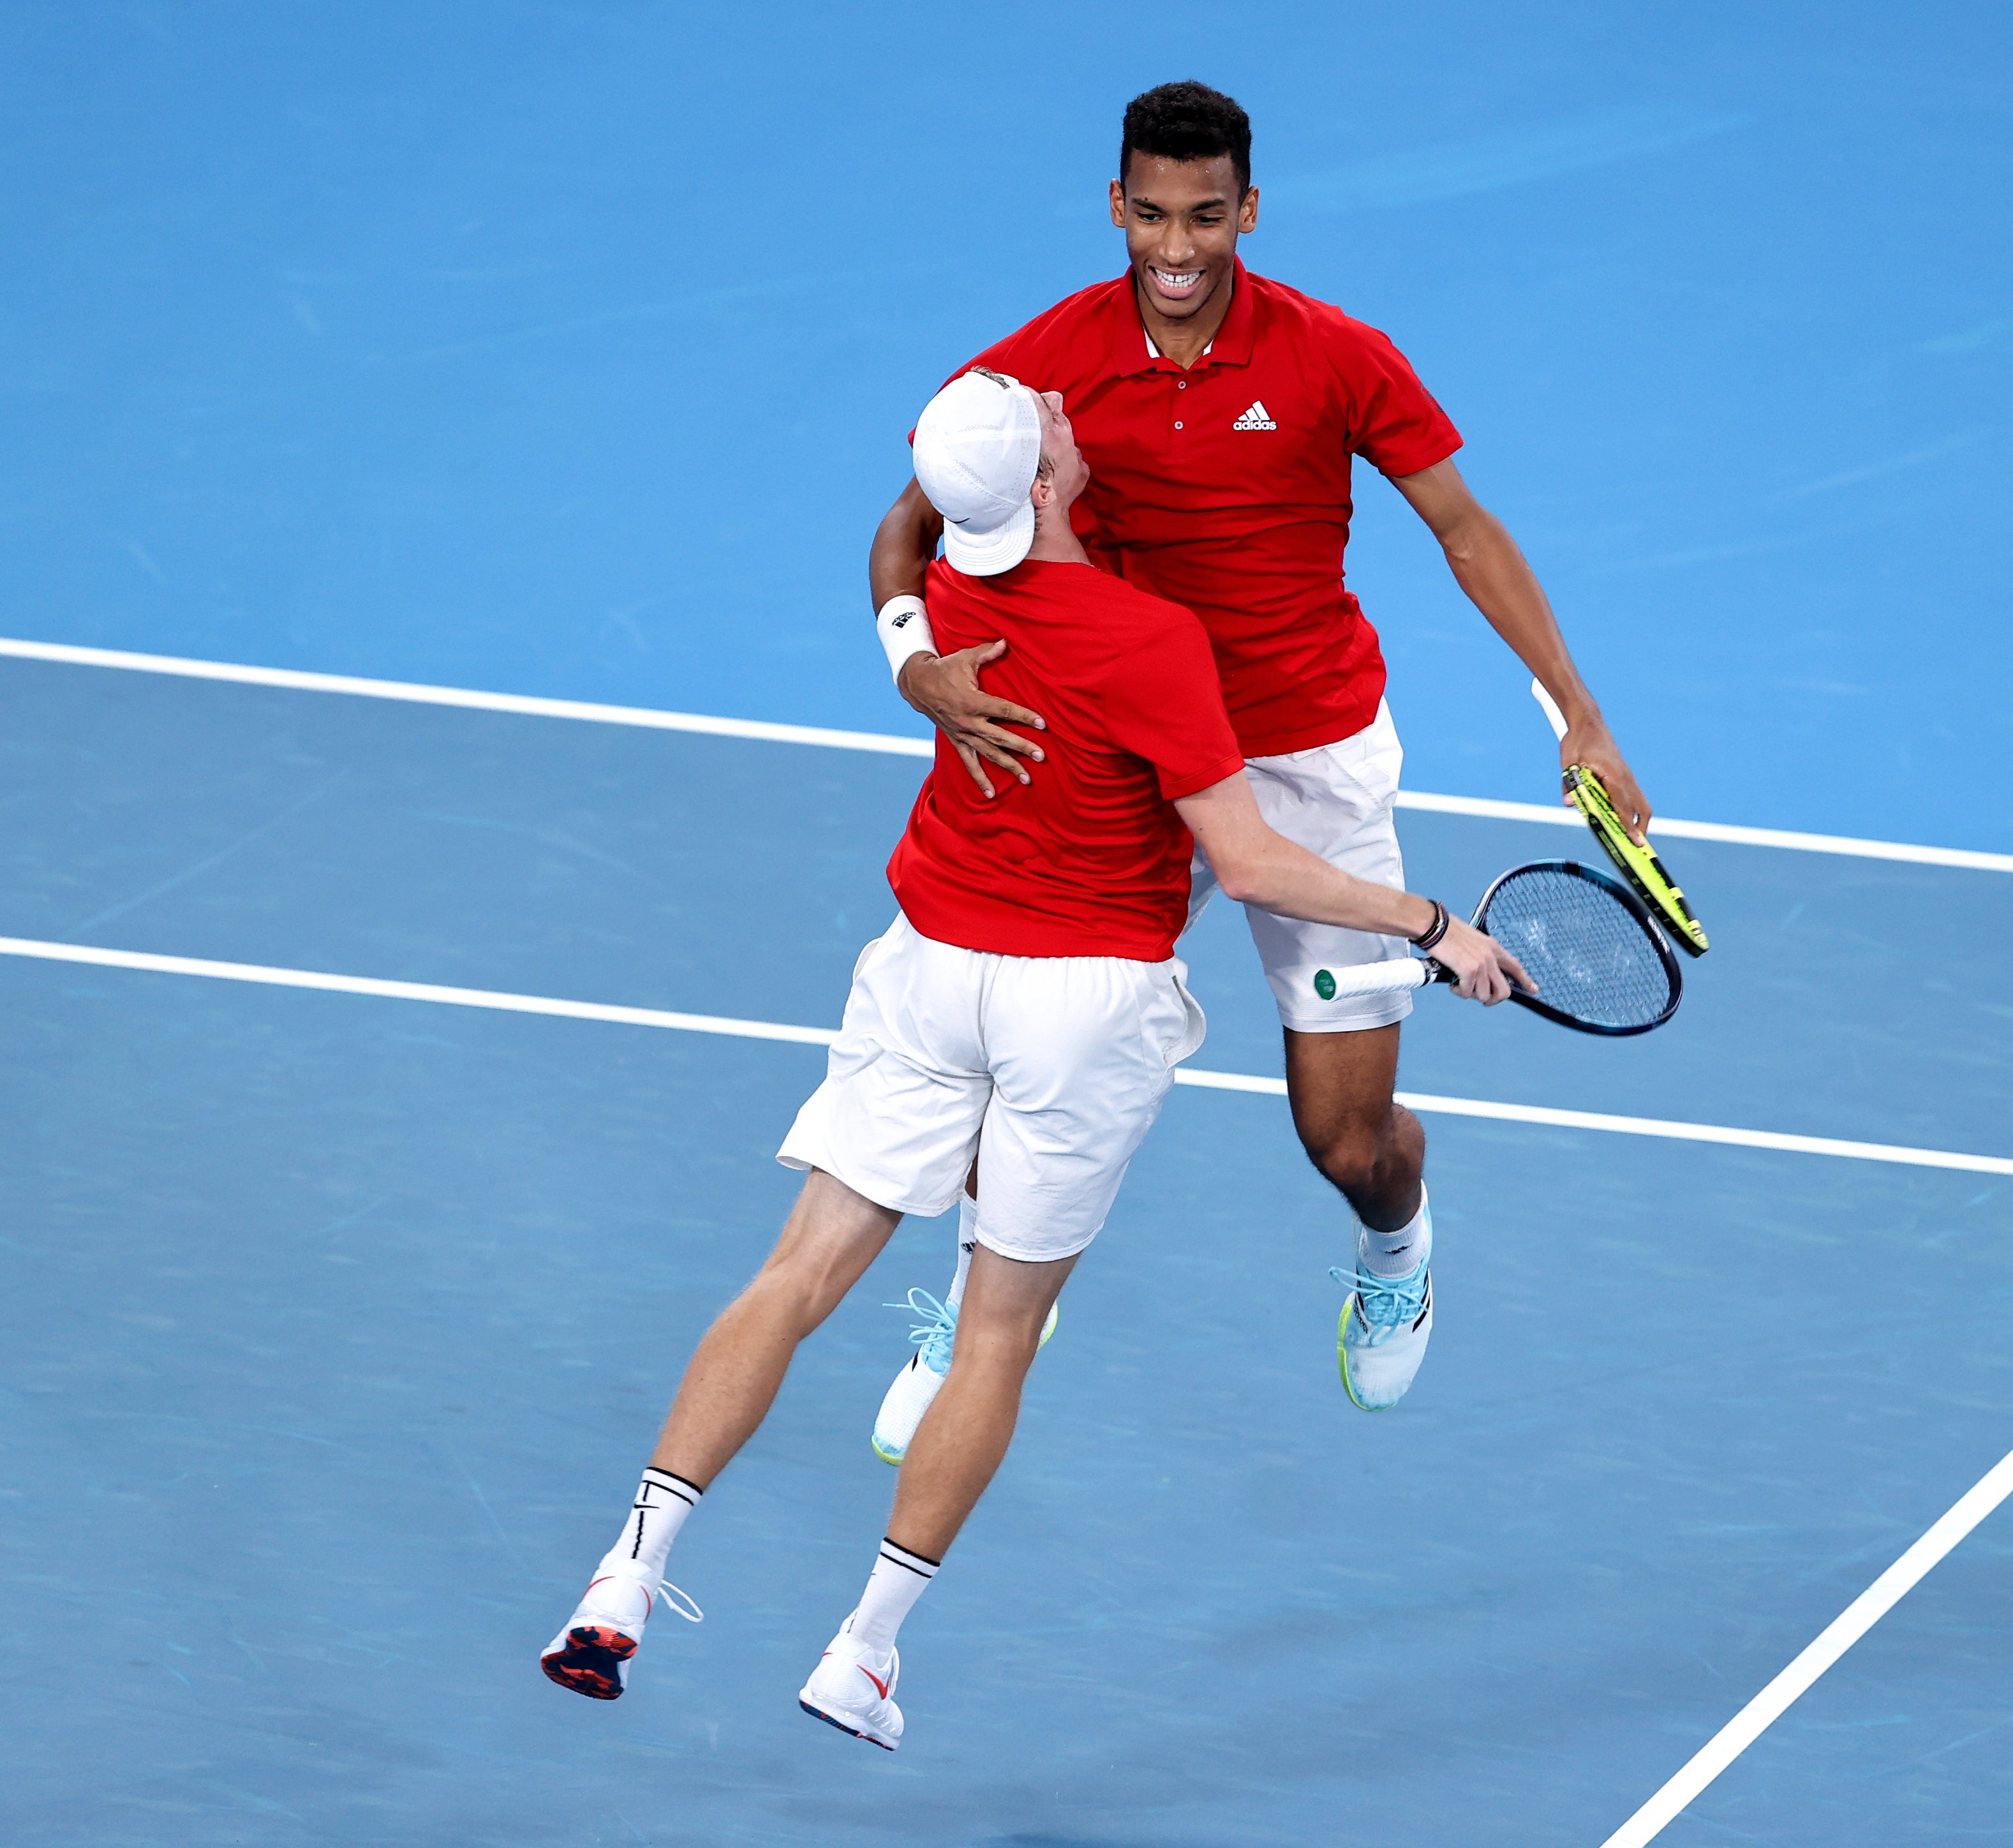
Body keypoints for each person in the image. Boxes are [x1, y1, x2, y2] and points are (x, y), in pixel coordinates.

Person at [541, 369, 1526, 1750]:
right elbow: (1244, 860)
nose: (1068, 418)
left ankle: (625, 1571)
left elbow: (900, 553)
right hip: (1079, 1006)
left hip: (927, 968)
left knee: (795, 1272)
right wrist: (1437, 927)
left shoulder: (945, 602)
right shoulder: (1150, 637)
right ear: (1053, 483)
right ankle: (864, 1649)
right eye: (1054, 429)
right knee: (998, 1329)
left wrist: (906, 659)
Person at [865, 82, 1655, 1434]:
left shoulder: (1337, 355)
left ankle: (1397, 1252)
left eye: (1207, 216)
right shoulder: (1036, 373)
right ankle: (988, 1302)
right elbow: (907, 531)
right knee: (1033, 1047)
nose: (1178, 248)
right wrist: (910, 658)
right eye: (1154, 215)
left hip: (1310, 754)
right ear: (1118, 206)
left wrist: (1574, 706)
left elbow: (1464, 528)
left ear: (1248, 210)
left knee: (1346, 1138)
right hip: (1121, 758)